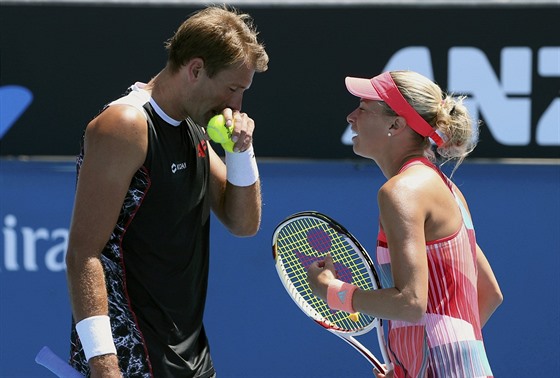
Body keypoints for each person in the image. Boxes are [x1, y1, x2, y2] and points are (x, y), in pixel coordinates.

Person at [65, 6, 269, 377]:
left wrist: (241, 150)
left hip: (190, 356)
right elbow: (83, 254)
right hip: (129, 357)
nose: (237, 105)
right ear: (195, 70)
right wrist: (104, 364)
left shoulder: (194, 126)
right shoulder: (125, 124)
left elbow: (243, 223)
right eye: (233, 88)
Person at [307, 70, 503, 377]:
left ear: (395, 124)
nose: (351, 116)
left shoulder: (401, 191)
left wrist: (333, 291)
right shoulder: (448, 190)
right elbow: (490, 293)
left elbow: (410, 303)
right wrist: (416, 359)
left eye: (363, 107)